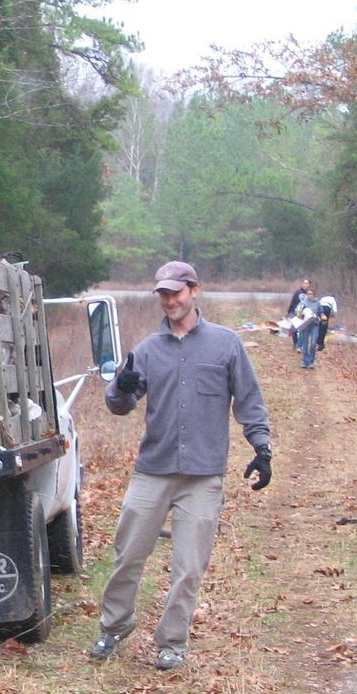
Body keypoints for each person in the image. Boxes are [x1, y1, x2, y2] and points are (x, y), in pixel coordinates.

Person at [89, 260, 272, 671]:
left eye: (177, 292)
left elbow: (249, 401)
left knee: (189, 567)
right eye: (164, 293)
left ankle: (172, 641)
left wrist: (261, 448)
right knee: (128, 556)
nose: (170, 300)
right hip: (152, 470)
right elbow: (119, 405)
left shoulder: (226, 345)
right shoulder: (147, 351)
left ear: (195, 291)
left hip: (203, 476)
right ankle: (114, 628)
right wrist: (120, 388)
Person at [295, 287, 321, 370]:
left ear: (314, 295)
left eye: (311, 294)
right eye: (308, 294)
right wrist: (300, 314)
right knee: (305, 344)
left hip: (314, 325)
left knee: (313, 343)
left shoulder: (317, 303)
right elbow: (298, 312)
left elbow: (321, 312)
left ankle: (311, 362)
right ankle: (305, 361)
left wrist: (323, 317)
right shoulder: (303, 303)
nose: (310, 295)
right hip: (305, 325)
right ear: (306, 295)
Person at [285, 278, 310, 351]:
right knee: (294, 329)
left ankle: (300, 345)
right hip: (295, 312)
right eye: (304, 283)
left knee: (303, 330)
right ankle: (295, 344)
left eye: (307, 283)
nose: (305, 284)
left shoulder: (310, 294)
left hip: (304, 314)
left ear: (309, 285)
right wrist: (289, 312)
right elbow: (292, 302)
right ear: (302, 284)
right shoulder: (297, 292)